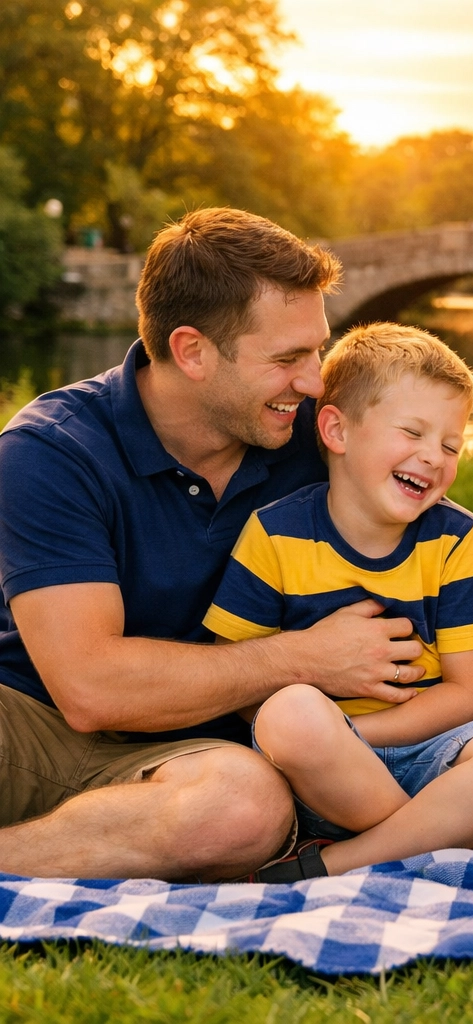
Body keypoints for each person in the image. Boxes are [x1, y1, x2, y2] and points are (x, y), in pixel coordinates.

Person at [0, 208, 441, 882]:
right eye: (288, 358)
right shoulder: (51, 451)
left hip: (194, 754)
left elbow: (438, 534)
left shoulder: (316, 435)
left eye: (317, 350)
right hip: (27, 719)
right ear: (192, 351)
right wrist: (303, 657)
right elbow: (90, 687)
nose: (314, 381)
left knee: (244, 809)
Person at [203, 323, 473, 880]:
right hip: (320, 773)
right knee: (290, 715)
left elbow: (469, 694)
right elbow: (236, 680)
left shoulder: (455, 538)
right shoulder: (275, 534)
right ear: (337, 430)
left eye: (450, 445)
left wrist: (359, 735)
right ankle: (433, 838)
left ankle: (340, 862)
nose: (433, 457)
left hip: (435, 758)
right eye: (412, 432)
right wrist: (335, 738)